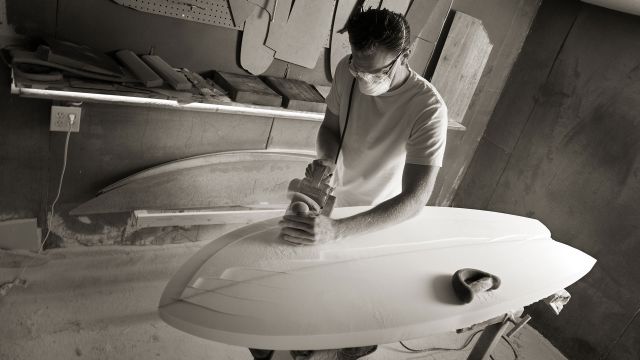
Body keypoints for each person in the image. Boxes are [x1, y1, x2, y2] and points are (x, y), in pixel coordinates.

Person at [253, 7, 448, 360]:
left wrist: (338, 231)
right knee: (285, 304)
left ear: (405, 56)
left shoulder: (428, 109)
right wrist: (327, 160)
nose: (363, 76)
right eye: (359, 66)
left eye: (377, 70)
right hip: (335, 203)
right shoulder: (347, 70)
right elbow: (330, 129)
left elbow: (415, 201)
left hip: (379, 220)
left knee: (342, 322)